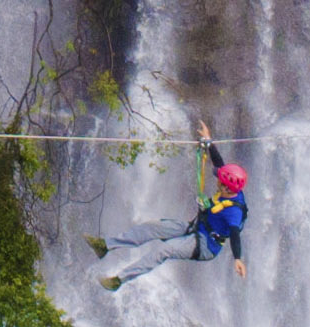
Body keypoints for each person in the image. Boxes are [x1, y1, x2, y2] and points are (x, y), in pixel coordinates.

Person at [88, 120, 248, 291]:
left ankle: (118, 281)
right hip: (195, 227)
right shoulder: (231, 188)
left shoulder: (234, 212)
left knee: (163, 250)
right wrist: (208, 141)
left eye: (221, 182)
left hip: (205, 245)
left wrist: (237, 258)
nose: (218, 183)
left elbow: (234, 234)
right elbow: (219, 164)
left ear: (228, 188)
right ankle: (105, 246)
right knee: (151, 227)